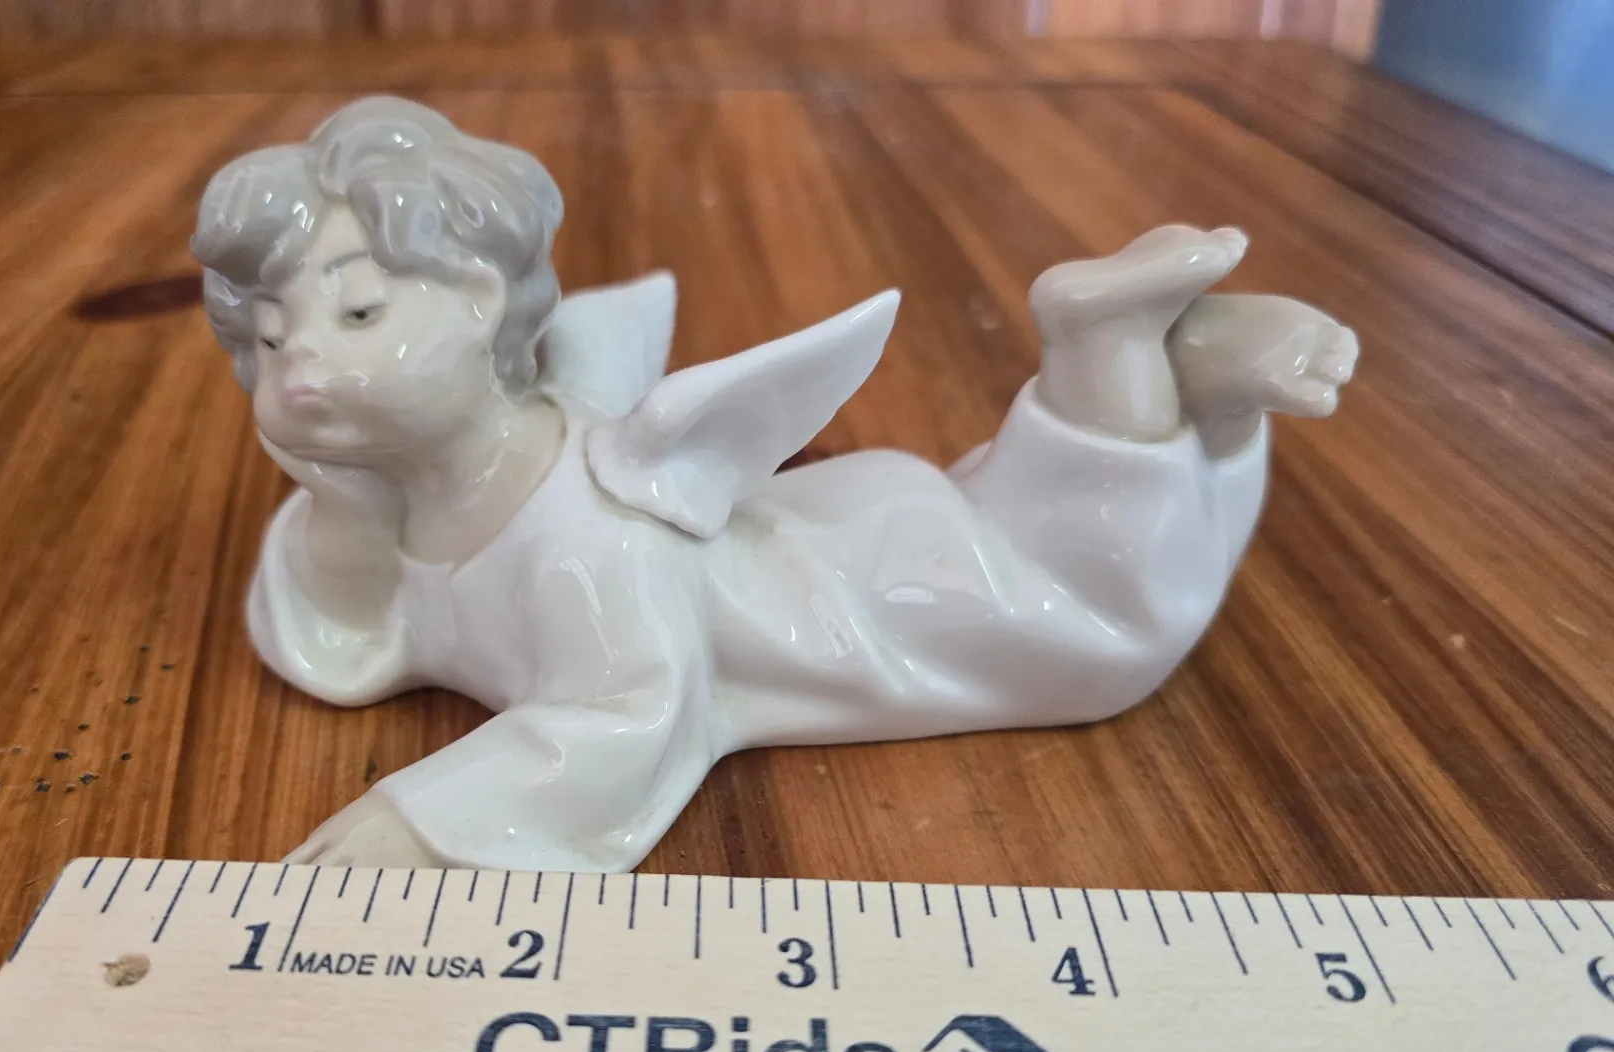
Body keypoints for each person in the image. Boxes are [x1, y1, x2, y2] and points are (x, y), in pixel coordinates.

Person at [192, 97, 1358, 873]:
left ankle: (1116, 352)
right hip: (852, 534)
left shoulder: (590, 541)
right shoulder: (442, 494)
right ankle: (1164, 376)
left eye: (358, 314)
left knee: (1098, 622)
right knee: (1049, 544)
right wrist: (342, 488)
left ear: (484, 303)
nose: (301, 368)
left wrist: (420, 823)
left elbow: (625, 718)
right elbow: (364, 628)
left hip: (892, 602)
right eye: (274, 340)